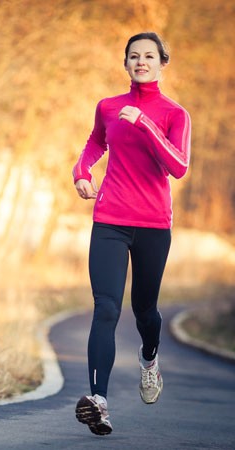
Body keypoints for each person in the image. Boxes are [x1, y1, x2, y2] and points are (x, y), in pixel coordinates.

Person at [72, 32, 191, 436]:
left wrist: (146, 126)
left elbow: (178, 166)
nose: (141, 62)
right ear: (125, 64)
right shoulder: (108, 107)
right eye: (134, 56)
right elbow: (95, 141)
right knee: (106, 307)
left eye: (149, 56)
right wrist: (82, 172)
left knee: (145, 311)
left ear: (162, 63)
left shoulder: (175, 114)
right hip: (110, 219)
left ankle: (150, 358)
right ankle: (98, 402)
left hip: (154, 225)